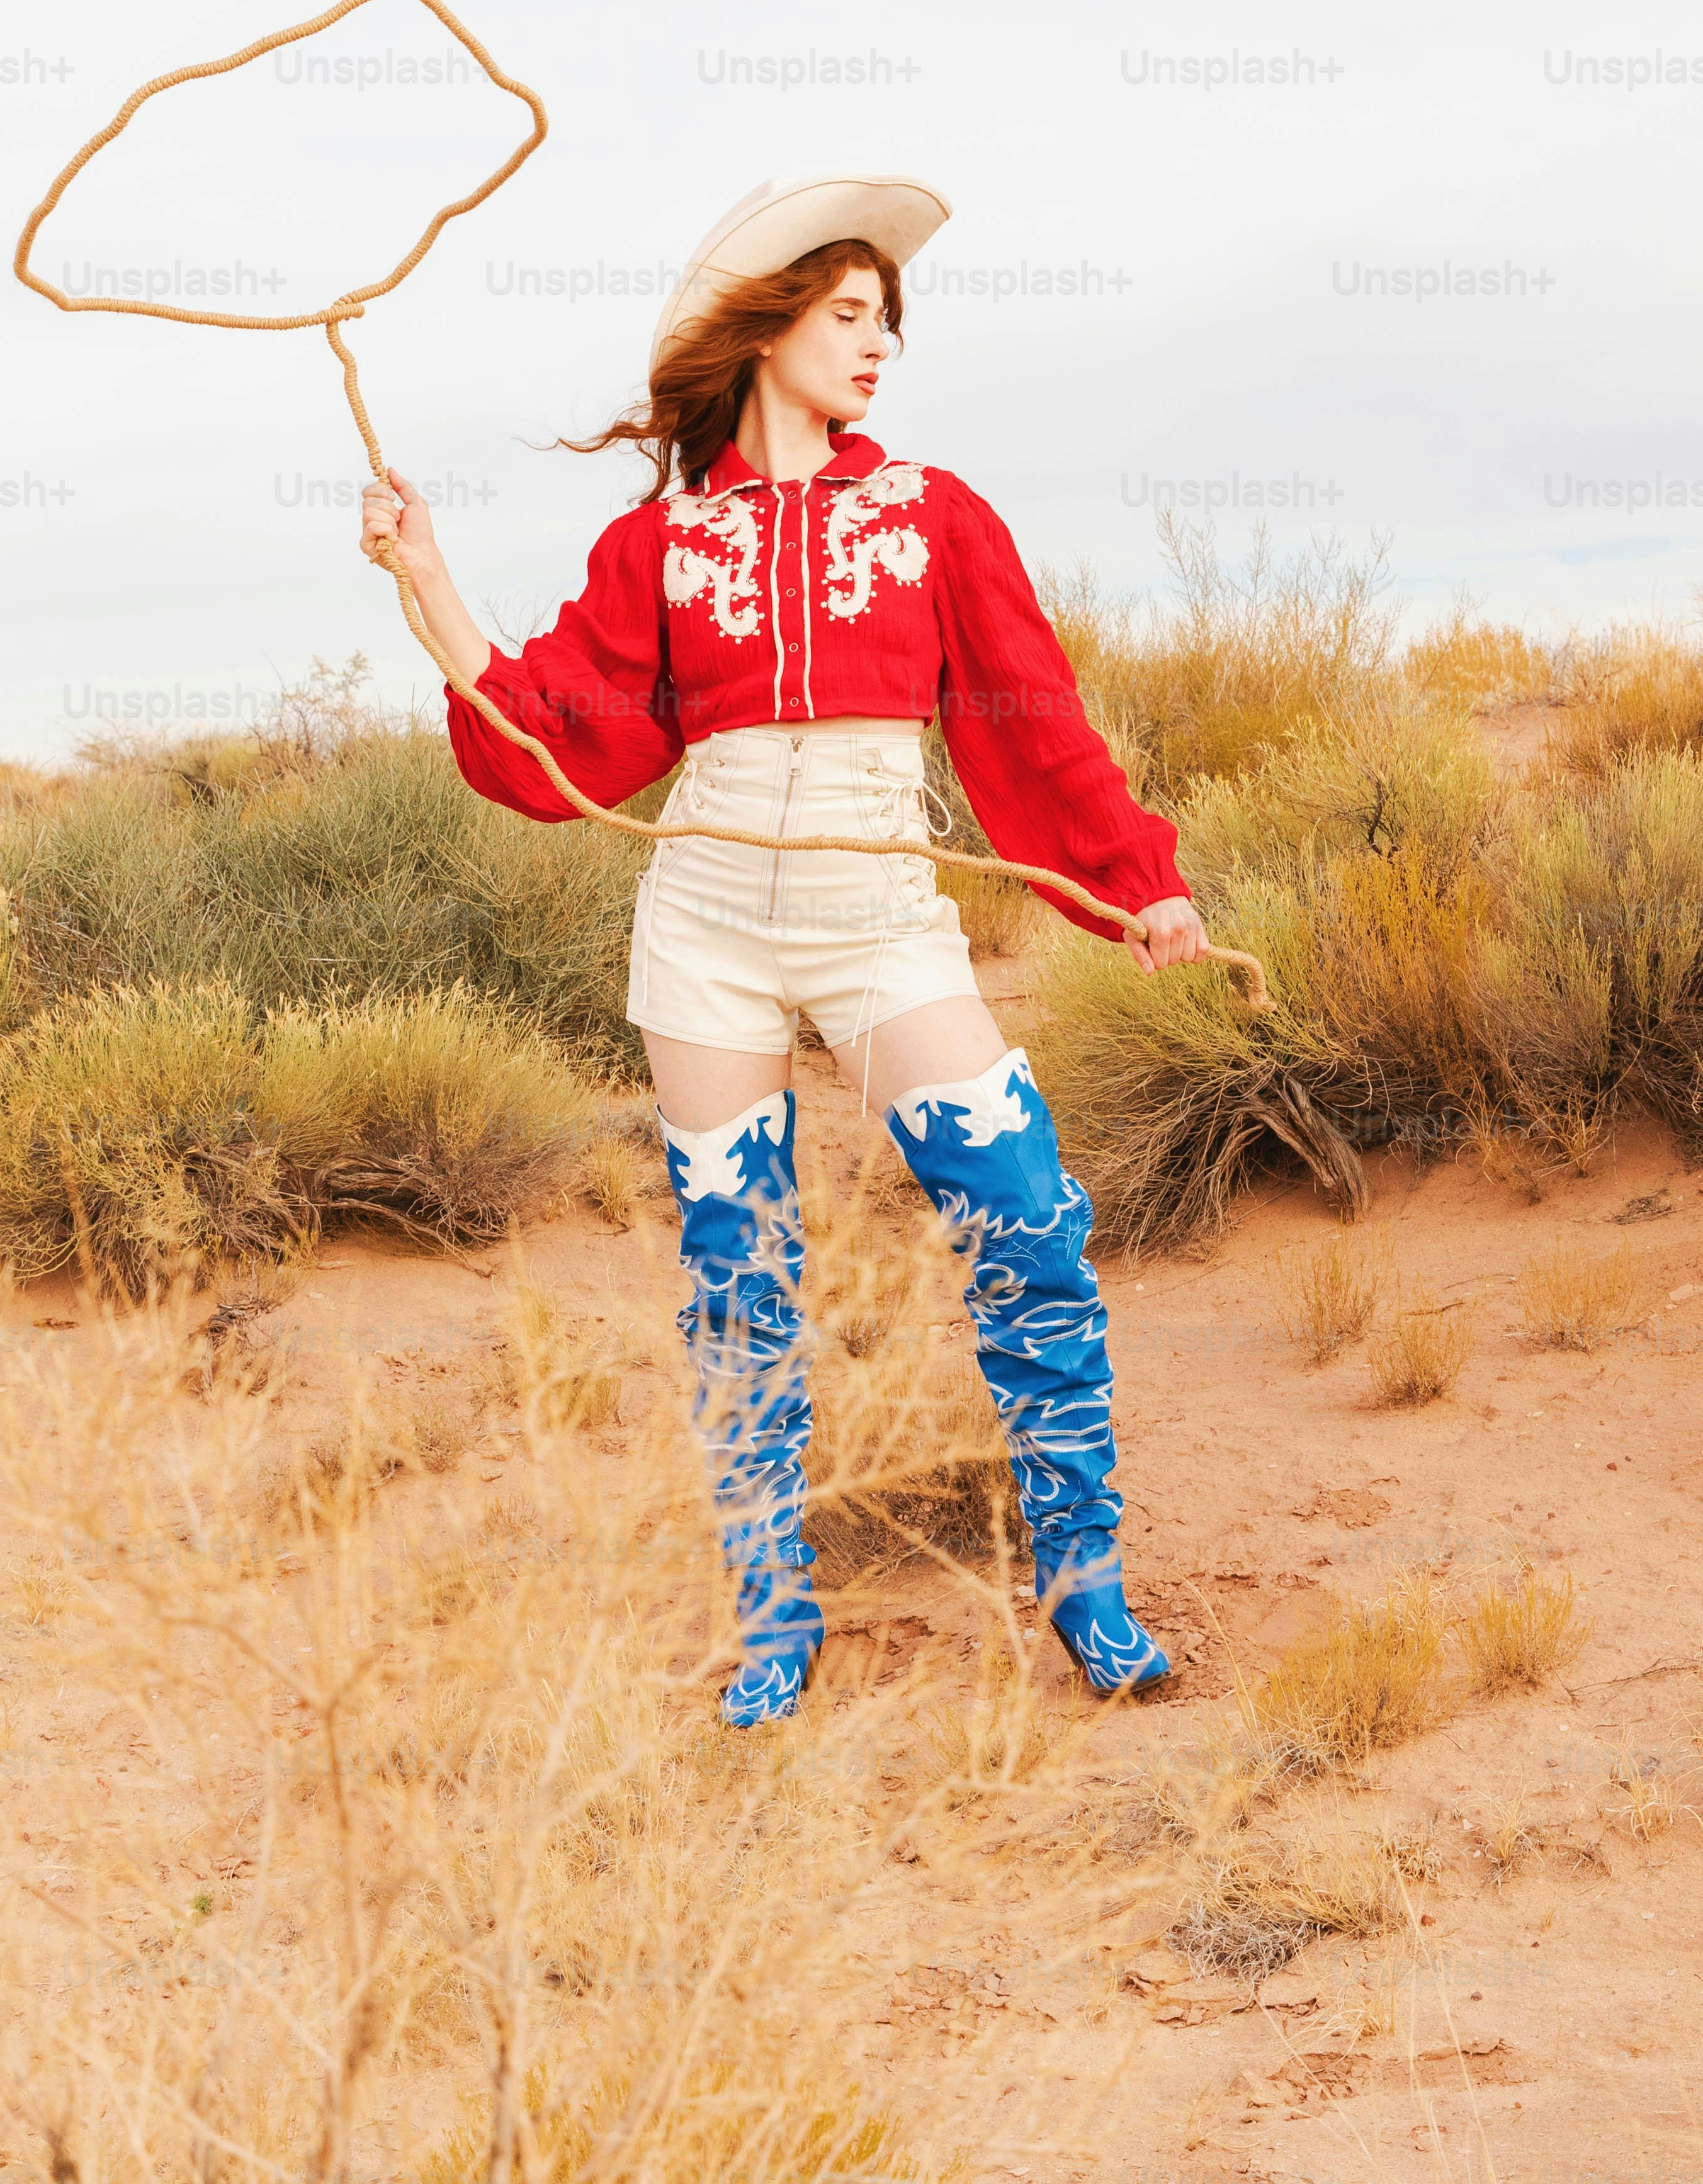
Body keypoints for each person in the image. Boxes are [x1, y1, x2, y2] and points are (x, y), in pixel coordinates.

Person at [359, 174, 1211, 1728]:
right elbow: (561, 741)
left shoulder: (935, 514)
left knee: (1026, 1218)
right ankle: (773, 1613)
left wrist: (1135, 878)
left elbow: (1038, 722)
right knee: (736, 1279)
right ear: (766, 333)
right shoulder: (661, 547)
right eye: (846, 316)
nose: (879, 345)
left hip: (883, 920)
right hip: (706, 935)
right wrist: (428, 583)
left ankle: (1081, 1574)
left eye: (889, 322)